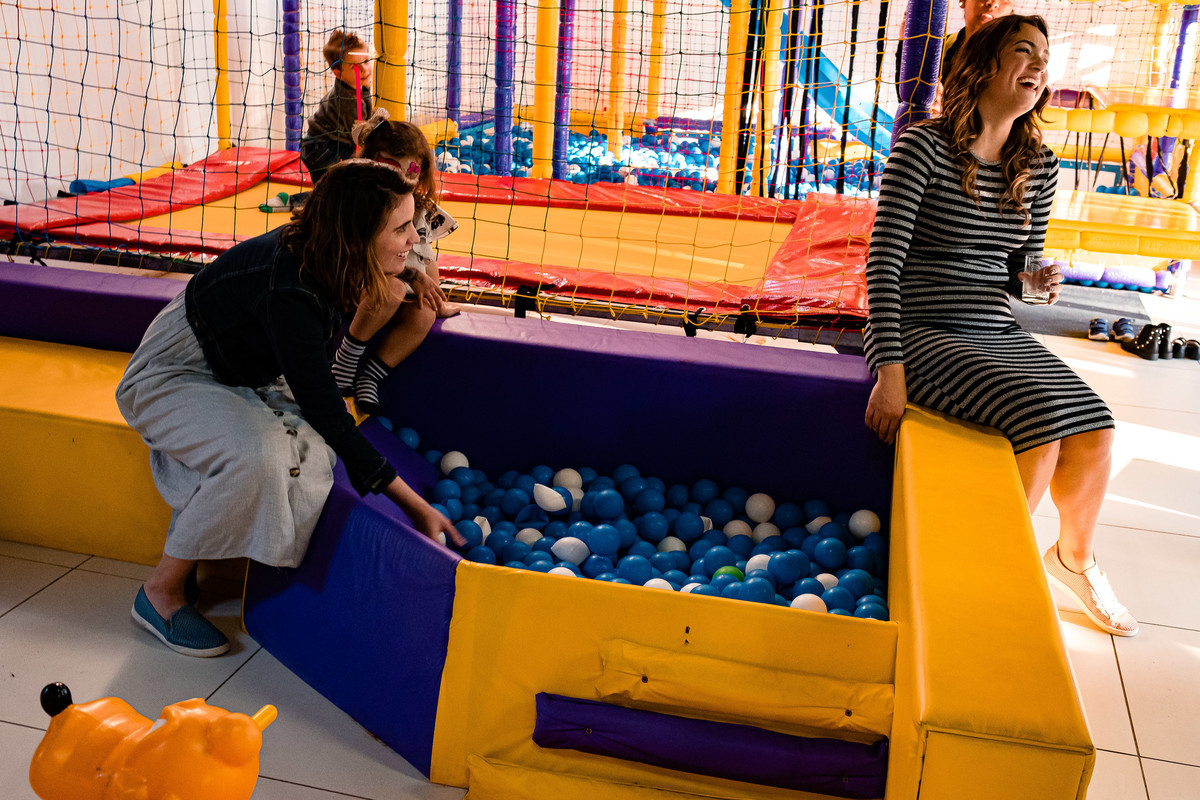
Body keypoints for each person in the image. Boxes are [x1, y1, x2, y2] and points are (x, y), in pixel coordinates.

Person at [116, 160, 464, 658]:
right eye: (401, 229)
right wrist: (417, 506)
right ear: (358, 236)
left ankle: (202, 538)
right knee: (261, 458)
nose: (414, 239)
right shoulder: (292, 289)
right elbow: (328, 411)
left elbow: (321, 402)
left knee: (306, 456)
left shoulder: (330, 252)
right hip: (177, 371)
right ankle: (160, 594)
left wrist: (409, 271)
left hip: (241, 369)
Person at [864, 15, 1138, 637]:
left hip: (991, 326)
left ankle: (1073, 561)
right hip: (922, 327)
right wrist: (891, 372)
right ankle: (989, 575)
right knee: (1039, 426)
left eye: (1045, 56)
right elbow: (882, 263)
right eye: (1024, 51)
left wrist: (1036, 283)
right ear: (983, 66)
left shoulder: (1038, 163)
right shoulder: (922, 148)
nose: (1040, 65)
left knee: (1096, 427)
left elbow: (1021, 271)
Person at [329, 109, 461, 413]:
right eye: (390, 169)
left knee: (424, 314)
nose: (400, 180)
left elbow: (426, 257)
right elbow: (359, 262)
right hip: (357, 289)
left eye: (410, 171)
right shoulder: (361, 205)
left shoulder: (420, 210)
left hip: (398, 293)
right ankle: (345, 362)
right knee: (392, 289)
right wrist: (411, 277)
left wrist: (437, 297)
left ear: (421, 173)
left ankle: (372, 376)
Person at [896, 0, 1015, 109]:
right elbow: (908, 102)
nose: (992, 3)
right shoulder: (941, 45)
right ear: (963, 1)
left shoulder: (1013, 61)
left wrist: (946, 113)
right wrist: (905, 46)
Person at [299, 30, 374, 186]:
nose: (364, 70)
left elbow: (366, 115)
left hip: (335, 142)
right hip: (320, 148)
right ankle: (292, 199)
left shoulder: (356, 85)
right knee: (330, 190)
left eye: (366, 61)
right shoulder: (347, 101)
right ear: (338, 74)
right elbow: (359, 136)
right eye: (354, 67)